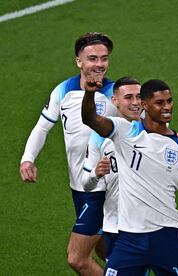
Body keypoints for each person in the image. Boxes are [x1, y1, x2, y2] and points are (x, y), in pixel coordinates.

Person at [82, 77, 178, 275]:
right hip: (129, 239)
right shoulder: (125, 131)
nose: (167, 107)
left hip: (167, 236)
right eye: (160, 103)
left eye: (169, 101)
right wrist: (89, 93)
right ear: (144, 105)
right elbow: (91, 119)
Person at [19, 32, 116, 275]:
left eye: (104, 58)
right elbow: (42, 127)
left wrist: (174, 136)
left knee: (78, 258)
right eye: (92, 58)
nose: (99, 64)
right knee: (105, 250)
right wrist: (28, 158)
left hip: (104, 188)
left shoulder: (117, 93)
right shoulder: (63, 91)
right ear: (79, 62)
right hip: (79, 185)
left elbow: (147, 123)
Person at [81, 76, 142, 260]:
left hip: (147, 223)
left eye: (139, 97)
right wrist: (96, 173)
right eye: (128, 97)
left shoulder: (154, 131)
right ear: (115, 101)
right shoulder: (99, 137)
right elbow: (86, 184)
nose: (135, 102)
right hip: (115, 226)